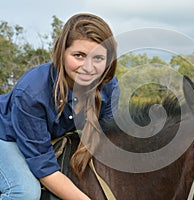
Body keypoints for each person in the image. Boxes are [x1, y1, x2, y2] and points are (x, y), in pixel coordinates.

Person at [0, 13, 119, 199]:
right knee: (24, 192)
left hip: (45, 136)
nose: (88, 67)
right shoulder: (32, 92)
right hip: (6, 135)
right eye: (79, 55)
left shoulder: (109, 87)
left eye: (98, 58)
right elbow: (43, 165)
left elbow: (108, 135)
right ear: (62, 53)